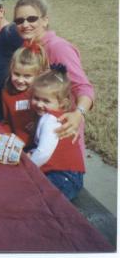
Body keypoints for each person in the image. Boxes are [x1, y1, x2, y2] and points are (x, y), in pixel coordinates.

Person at [13, 0, 94, 154]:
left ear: (45, 20)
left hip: (61, 136)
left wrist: (79, 114)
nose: (25, 24)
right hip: (37, 134)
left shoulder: (59, 48)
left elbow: (84, 88)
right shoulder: (27, 47)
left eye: (32, 18)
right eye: (19, 21)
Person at [28, 65, 85, 200]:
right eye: (36, 98)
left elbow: (44, 152)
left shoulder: (51, 120)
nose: (39, 104)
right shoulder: (50, 116)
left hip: (64, 176)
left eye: (46, 101)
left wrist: (27, 168)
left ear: (62, 103)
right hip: (63, 173)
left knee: (41, 201)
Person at [2, 41, 49, 146]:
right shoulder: (7, 93)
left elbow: (54, 116)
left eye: (27, 76)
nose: (20, 80)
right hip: (17, 146)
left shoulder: (43, 94)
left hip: (40, 147)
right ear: (11, 70)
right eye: (16, 74)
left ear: (38, 75)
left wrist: (38, 122)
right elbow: (7, 121)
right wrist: (6, 134)